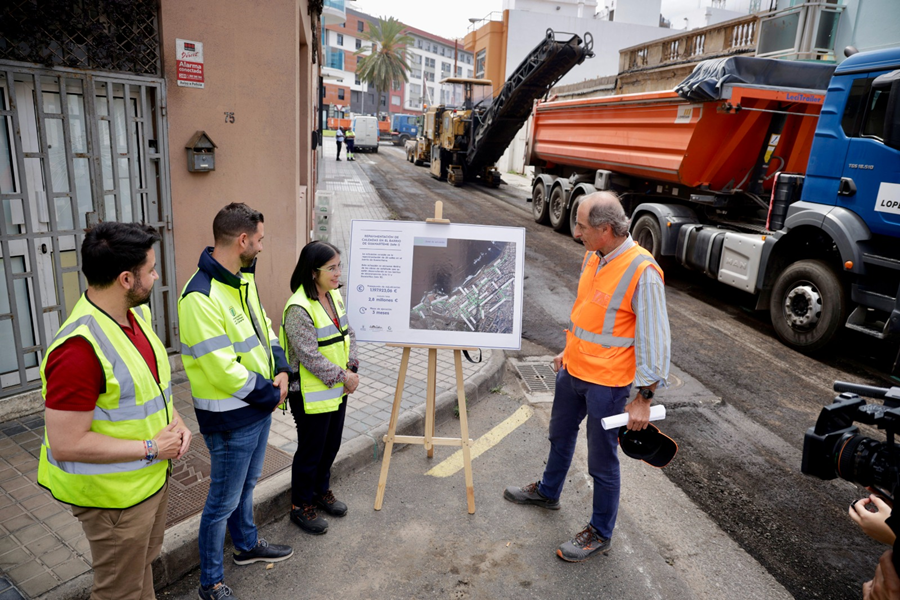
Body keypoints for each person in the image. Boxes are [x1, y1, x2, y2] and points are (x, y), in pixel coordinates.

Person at [504, 191, 671, 562]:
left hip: (607, 384)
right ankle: (548, 492)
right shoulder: (594, 256)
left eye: (581, 226)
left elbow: (655, 340)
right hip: (573, 369)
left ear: (606, 229)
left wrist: (643, 398)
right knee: (559, 435)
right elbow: (588, 313)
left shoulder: (642, 271)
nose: (576, 233)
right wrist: (568, 351)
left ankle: (600, 531)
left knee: (601, 461)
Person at [37, 221, 191, 600]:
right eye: (151, 270)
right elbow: (66, 443)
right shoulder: (77, 350)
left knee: (139, 572)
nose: (156, 277)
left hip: (147, 481)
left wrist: (177, 422)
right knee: (118, 591)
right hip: (114, 500)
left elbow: (149, 390)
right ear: (126, 279)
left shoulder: (135, 317)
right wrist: (153, 448)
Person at [179, 203, 293, 600]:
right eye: (259, 240)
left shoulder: (241, 280)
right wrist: (272, 393)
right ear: (242, 240)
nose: (261, 246)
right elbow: (222, 370)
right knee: (221, 502)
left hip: (256, 409)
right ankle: (210, 583)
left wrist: (281, 368)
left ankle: (245, 546)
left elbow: (266, 328)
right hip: (230, 420)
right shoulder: (199, 296)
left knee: (245, 487)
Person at [280, 241, 359, 534]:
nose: (338, 273)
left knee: (331, 445)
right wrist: (344, 376)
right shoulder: (298, 308)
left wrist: (352, 367)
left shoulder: (333, 295)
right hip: (310, 395)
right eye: (332, 268)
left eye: (339, 266)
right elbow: (309, 356)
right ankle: (300, 506)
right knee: (311, 451)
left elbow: (348, 332)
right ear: (313, 272)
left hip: (336, 389)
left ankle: (320, 491)